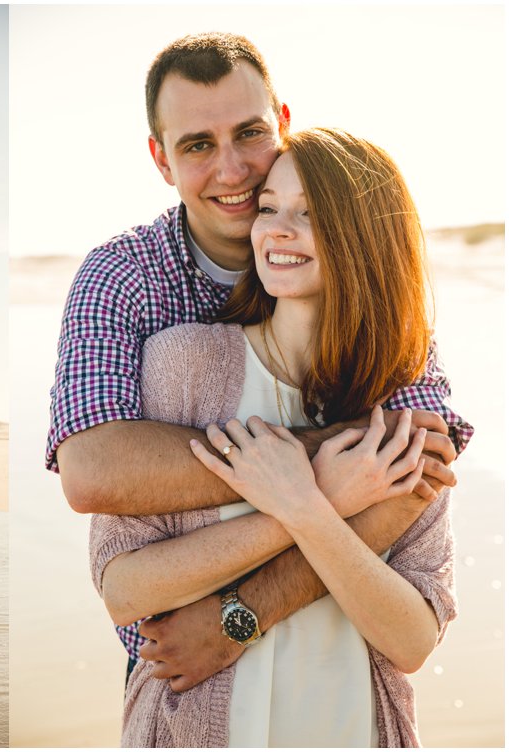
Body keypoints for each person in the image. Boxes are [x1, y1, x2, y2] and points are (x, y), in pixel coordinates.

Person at [46, 31, 471, 688]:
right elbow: (92, 470)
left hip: (331, 641)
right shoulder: (124, 277)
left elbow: (423, 462)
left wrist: (240, 614)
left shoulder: (367, 289)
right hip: (179, 658)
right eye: (196, 145)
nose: (234, 168)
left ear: (284, 124)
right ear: (161, 160)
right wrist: (328, 464)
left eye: (249, 133)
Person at [90, 128, 457, 746]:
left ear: (367, 238)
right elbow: (123, 590)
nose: (276, 230)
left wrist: (306, 507)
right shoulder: (183, 366)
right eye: (269, 208)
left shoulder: (396, 401)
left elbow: (416, 640)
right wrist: (320, 502)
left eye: (310, 214)